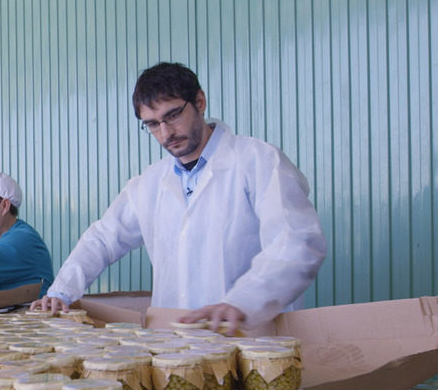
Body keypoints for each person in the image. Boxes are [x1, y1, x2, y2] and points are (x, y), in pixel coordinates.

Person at [31, 62, 326, 333]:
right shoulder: (150, 183)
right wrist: (61, 292)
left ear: (199, 102)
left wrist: (244, 300)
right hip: (173, 343)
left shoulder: (257, 161)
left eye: (172, 116)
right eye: (152, 124)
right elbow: (103, 238)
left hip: (249, 340)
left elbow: (297, 241)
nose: (165, 133)